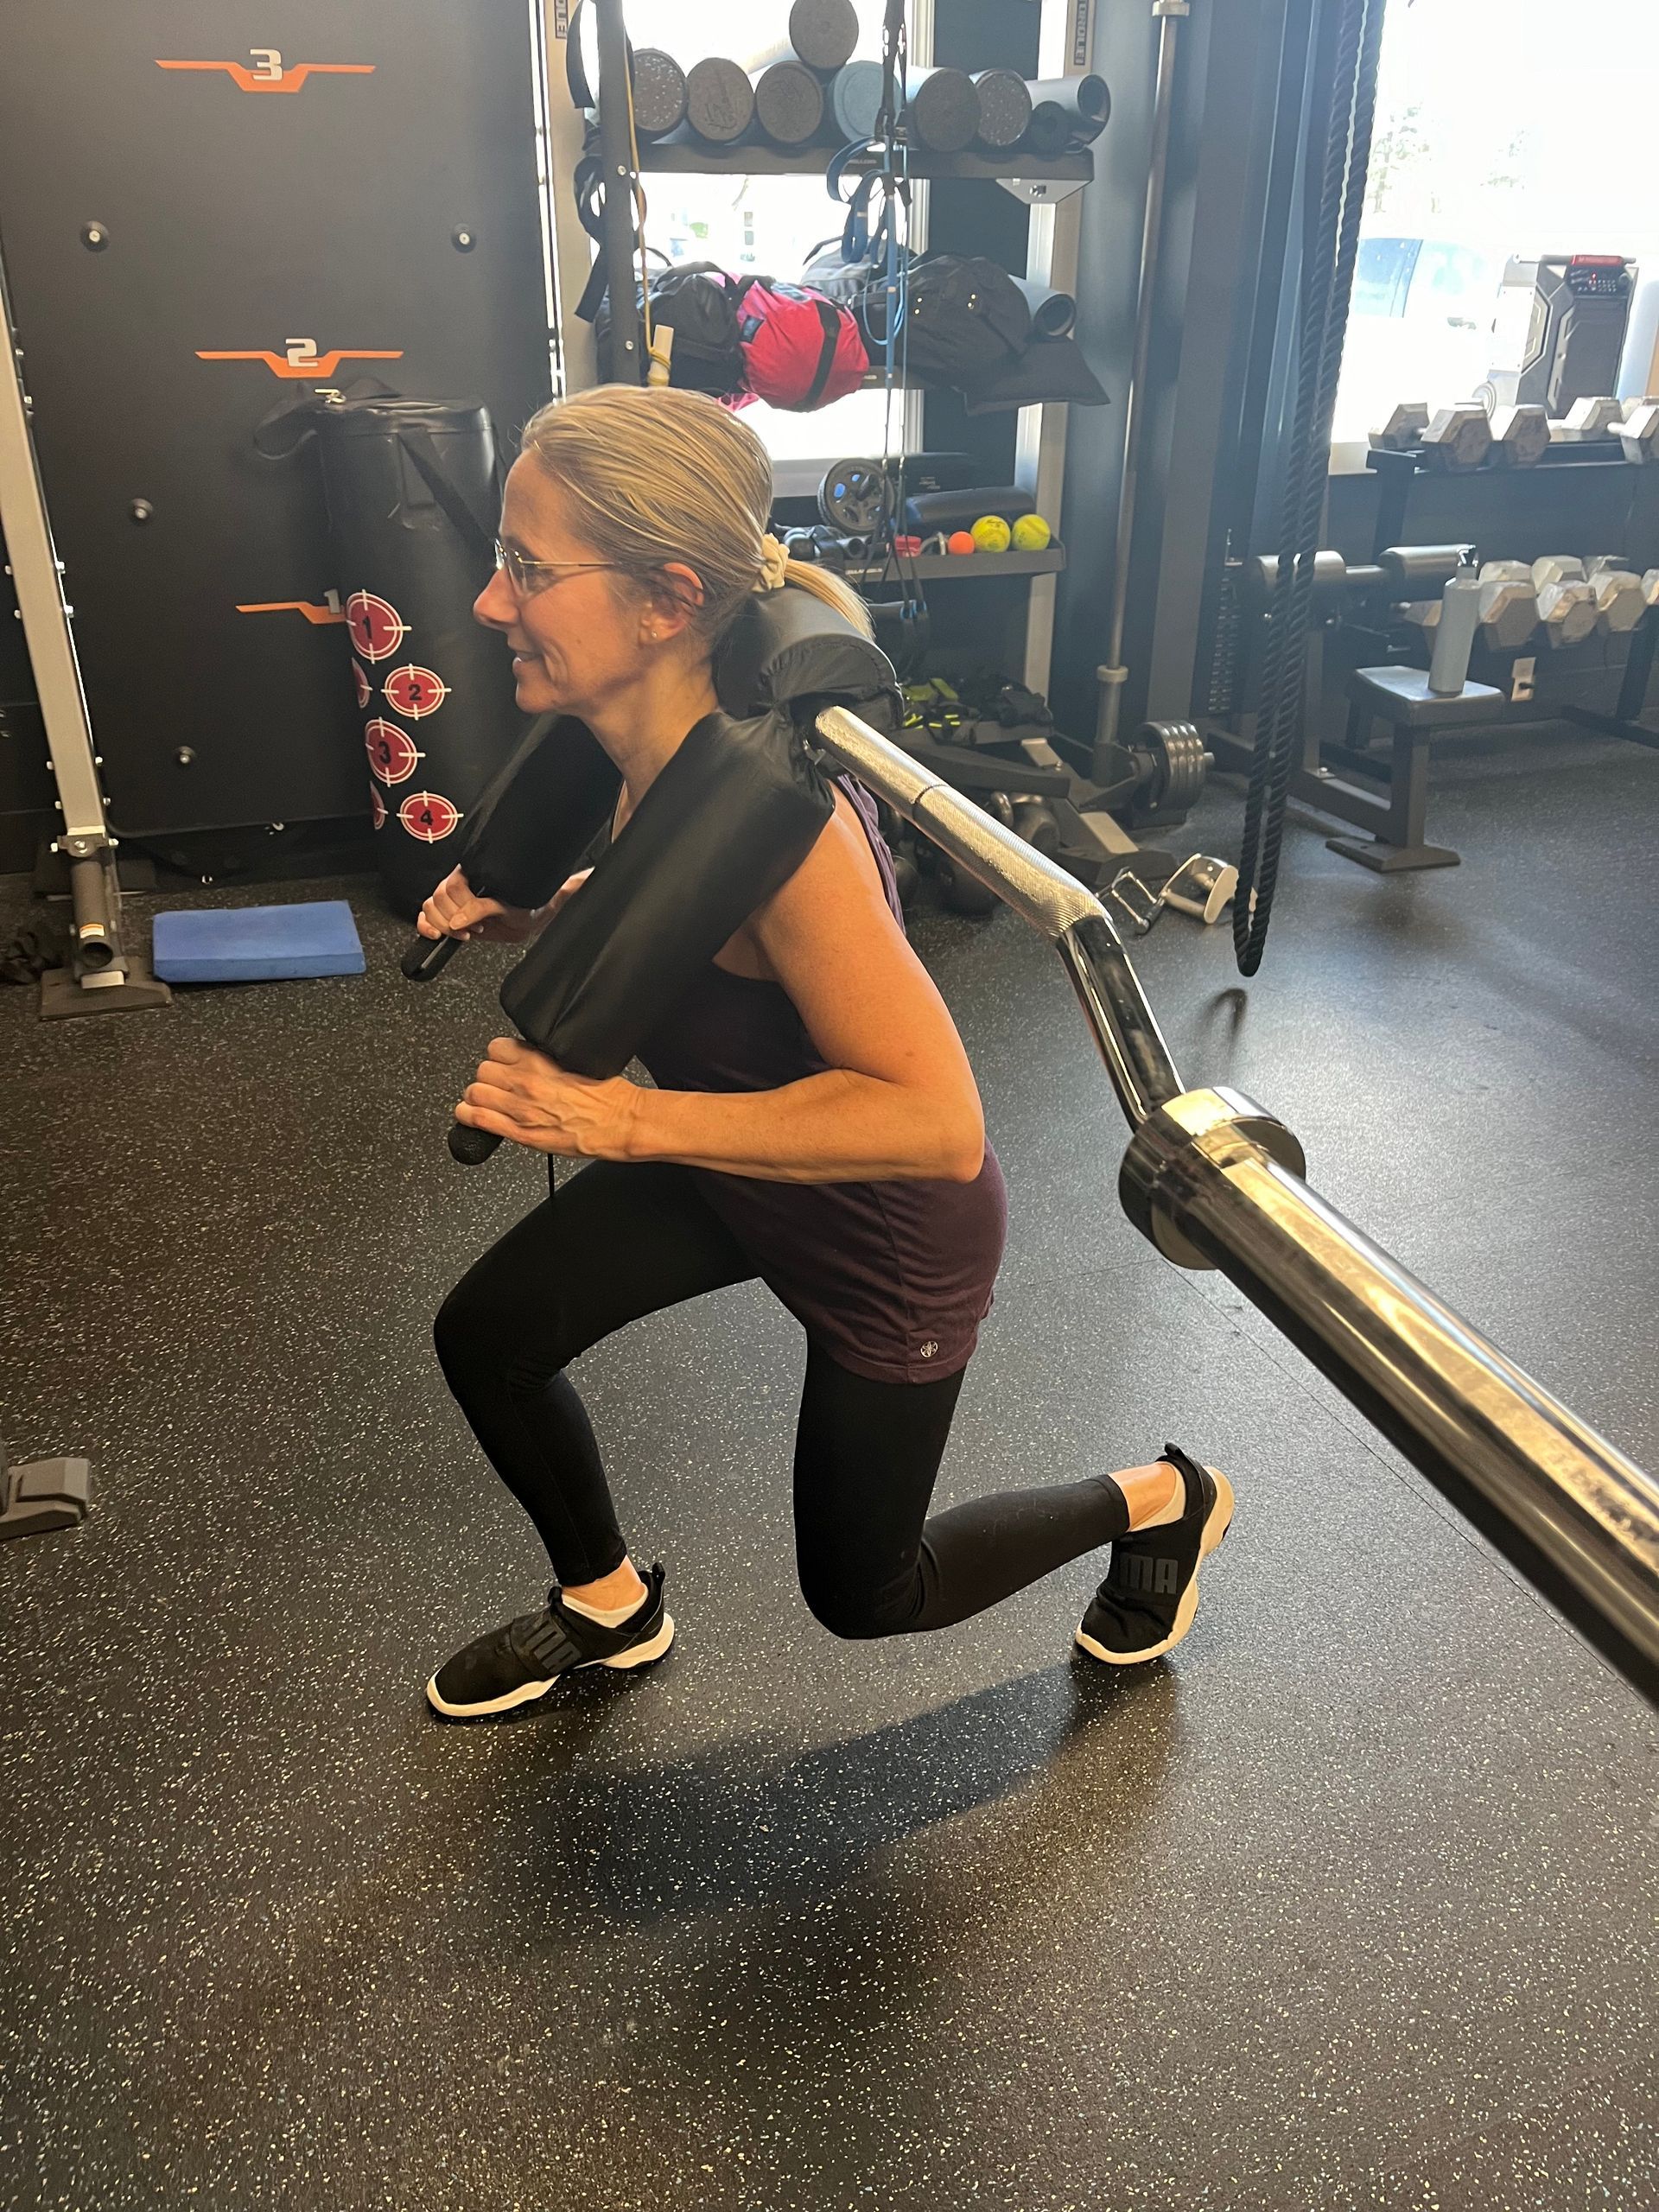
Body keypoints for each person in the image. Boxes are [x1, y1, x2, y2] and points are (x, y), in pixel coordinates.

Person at [418, 385, 1232, 1719]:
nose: (493, 604)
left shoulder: (787, 839)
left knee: (869, 1594)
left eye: (526, 568)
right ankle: (606, 1610)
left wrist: (623, 1124)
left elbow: (935, 1124)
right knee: (490, 1334)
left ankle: (1163, 1501)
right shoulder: (665, 760)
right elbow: (669, 922)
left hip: (879, 1227)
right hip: (746, 1160)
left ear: (667, 598)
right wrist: (537, 915)